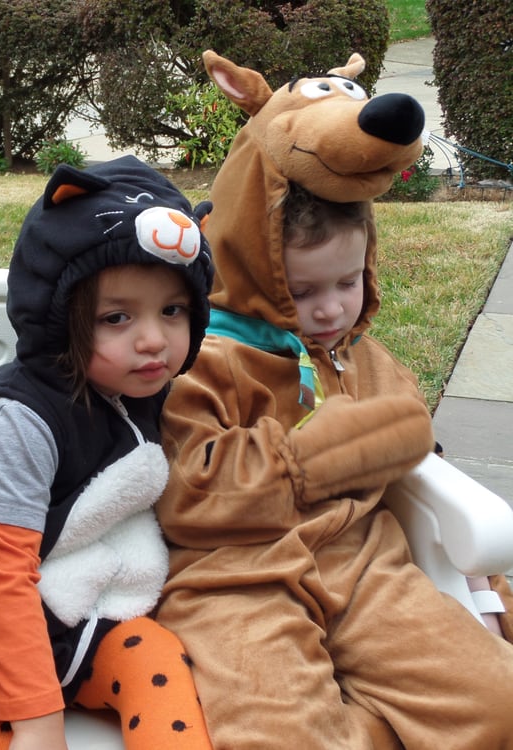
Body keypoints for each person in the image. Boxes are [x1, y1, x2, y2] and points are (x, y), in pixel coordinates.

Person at [154, 50, 513, 750]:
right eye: (305, 290)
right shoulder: (201, 359)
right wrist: (318, 455)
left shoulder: (358, 353)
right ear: (253, 263)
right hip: (234, 579)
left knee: (497, 706)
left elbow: (417, 441)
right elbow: (190, 494)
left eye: (346, 283)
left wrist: (479, 590)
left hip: (362, 559)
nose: (328, 312)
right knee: (280, 736)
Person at [0, 155, 215, 750]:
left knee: (161, 663)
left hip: (78, 615)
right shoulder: (14, 420)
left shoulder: (136, 380)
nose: (153, 339)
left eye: (173, 310)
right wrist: (39, 723)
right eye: (116, 317)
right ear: (58, 321)